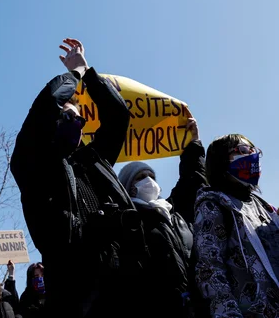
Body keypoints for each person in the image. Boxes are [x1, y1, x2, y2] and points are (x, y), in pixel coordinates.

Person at [10, 39, 147, 317]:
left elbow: (118, 115)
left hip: (125, 289)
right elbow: (48, 102)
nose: (79, 123)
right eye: (69, 116)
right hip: (74, 295)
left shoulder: (95, 160)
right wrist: (75, 75)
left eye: (81, 120)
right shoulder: (32, 163)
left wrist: (90, 73)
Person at [117, 117, 208, 318]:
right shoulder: (125, 224)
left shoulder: (174, 213)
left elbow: (193, 180)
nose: (148, 181)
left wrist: (193, 142)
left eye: (151, 176)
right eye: (140, 178)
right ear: (126, 187)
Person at [193, 134, 279, 317]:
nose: (252, 155)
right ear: (221, 159)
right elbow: (210, 268)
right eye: (243, 150)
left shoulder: (266, 209)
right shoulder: (213, 205)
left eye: (254, 151)